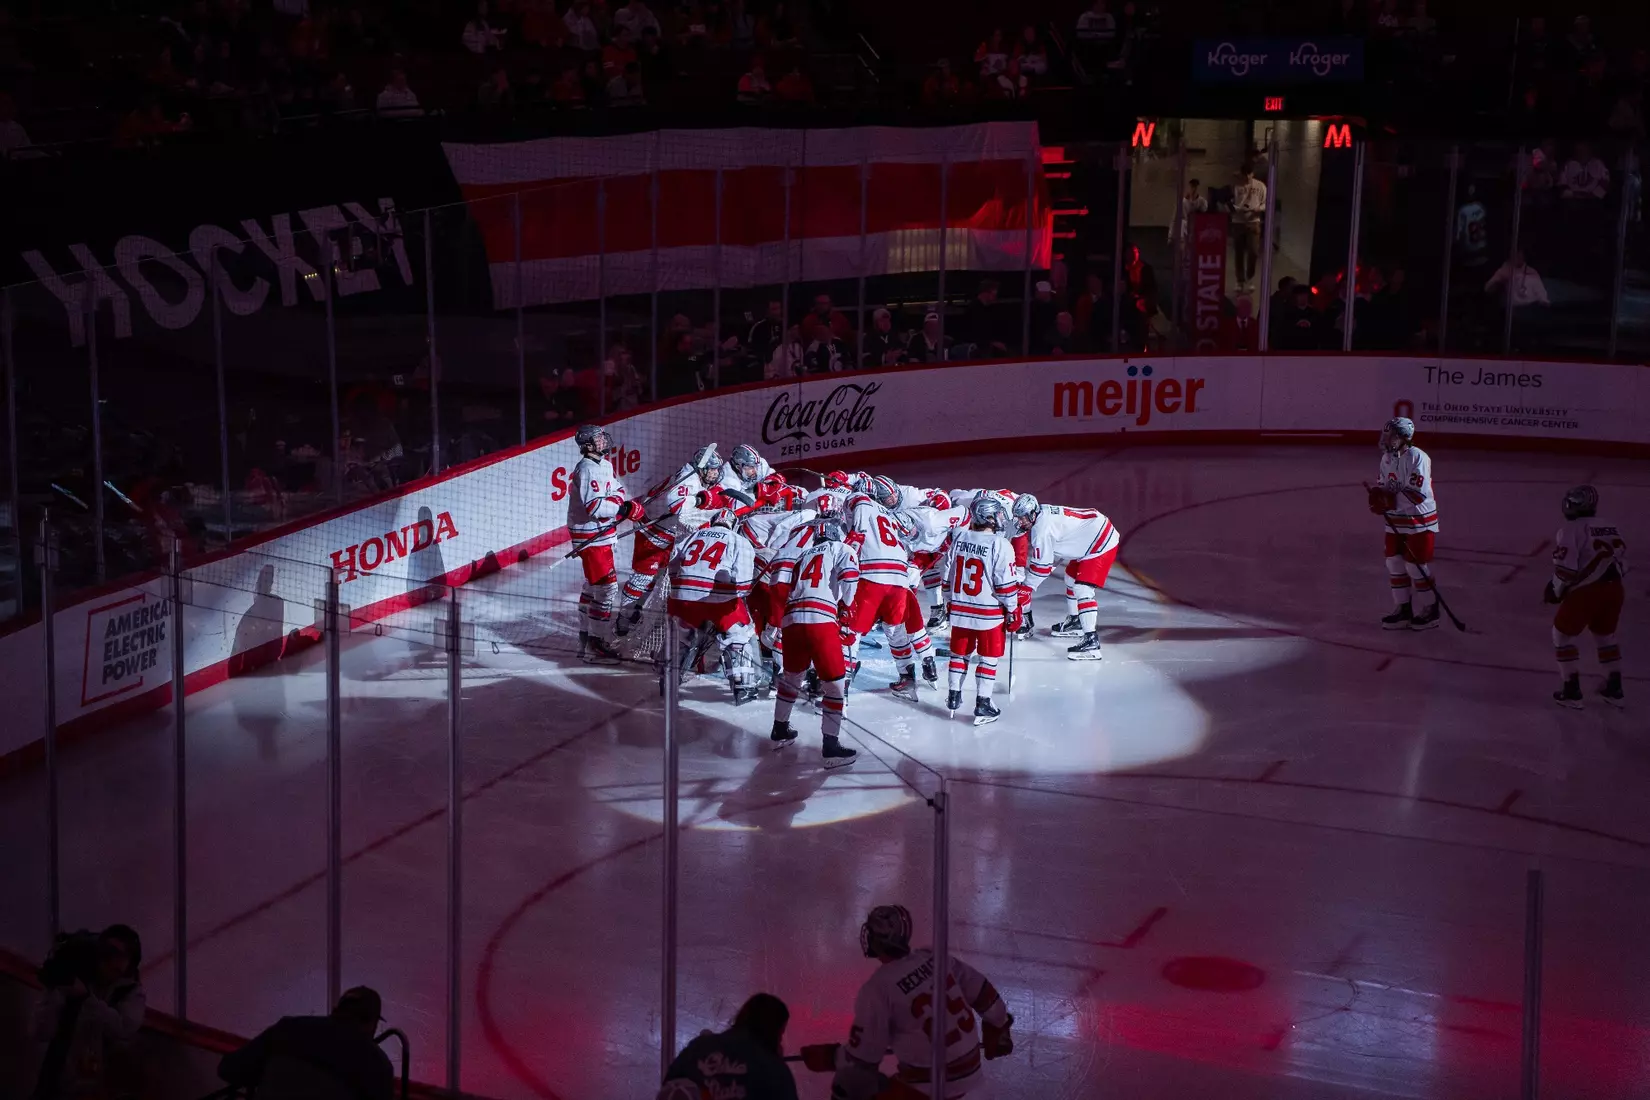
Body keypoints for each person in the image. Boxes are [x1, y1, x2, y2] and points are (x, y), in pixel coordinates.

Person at [802, 905, 1013, 1100]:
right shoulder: (933, 958)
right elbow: (982, 990)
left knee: (847, 1084)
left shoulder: (878, 988)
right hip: (969, 1071)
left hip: (930, 1084)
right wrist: (999, 1024)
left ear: (874, 939)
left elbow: (863, 1058)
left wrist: (830, 1057)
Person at [769, 511, 859, 766]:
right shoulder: (841, 548)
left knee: (791, 679)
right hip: (820, 618)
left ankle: (779, 729)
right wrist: (846, 608)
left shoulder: (802, 555)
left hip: (792, 620)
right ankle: (831, 747)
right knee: (835, 686)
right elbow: (850, 577)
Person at [842, 476, 938, 697]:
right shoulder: (892, 515)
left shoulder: (859, 500)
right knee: (895, 630)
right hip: (900, 579)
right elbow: (913, 537)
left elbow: (857, 528)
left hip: (872, 576)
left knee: (851, 630)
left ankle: (841, 681)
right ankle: (907, 677)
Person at [616, 445, 727, 634]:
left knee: (659, 575)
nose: (716, 474)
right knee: (643, 577)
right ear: (702, 469)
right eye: (713, 469)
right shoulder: (689, 479)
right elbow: (675, 504)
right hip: (651, 529)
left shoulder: (696, 475)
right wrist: (700, 500)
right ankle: (623, 618)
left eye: (717, 469)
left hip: (667, 530)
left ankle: (636, 607)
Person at [30, 925, 148, 1100]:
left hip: (99, 1090)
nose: (111, 960)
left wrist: (86, 999)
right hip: (57, 1085)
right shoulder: (79, 978)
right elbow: (40, 1031)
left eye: (118, 954)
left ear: (130, 963)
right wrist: (54, 992)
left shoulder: (130, 993)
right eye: (107, 951)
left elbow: (123, 1028)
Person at [218, 986, 394, 1100]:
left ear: (335, 1010)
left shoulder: (288, 1028)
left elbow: (229, 1069)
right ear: (372, 1025)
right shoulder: (376, 1063)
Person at [940, 496, 1022, 724]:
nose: (1000, 518)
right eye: (997, 514)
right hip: (988, 614)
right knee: (989, 658)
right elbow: (1004, 584)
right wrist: (1013, 609)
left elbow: (946, 572)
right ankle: (983, 703)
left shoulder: (959, 537)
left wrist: (949, 599)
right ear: (987, 517)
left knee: (959, 655)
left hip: (959, 609)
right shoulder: (1000, 544)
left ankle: (953, 696)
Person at [666, 508, 761, 703]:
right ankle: (743, 685)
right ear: (734, 524)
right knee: (740, 634)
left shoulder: (692, 536)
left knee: (681, 635)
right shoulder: (739, 541)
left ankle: (666, 676)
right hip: (718, 599)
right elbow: (743, 586)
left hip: (682, 598)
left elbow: (672, 567)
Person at [566, 425, 643, 664]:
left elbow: (618, 491)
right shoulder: (586, 469)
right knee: (606, 588)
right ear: (588, 445)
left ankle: (585, 636)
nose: (603, 439)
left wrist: (620, 503)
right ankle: (595, 644)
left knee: (592, 587)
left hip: (602, 534)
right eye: (598, 438)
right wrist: (623, 508)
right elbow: (596, 508)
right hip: (592, 537)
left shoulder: (605, 466)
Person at [1545, 486, 1627, 709]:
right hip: (1615, 588)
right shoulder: (1610, 525)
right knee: (1605, 636)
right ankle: (1615, 687)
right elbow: (1622, 562)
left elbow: (1566, 570)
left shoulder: (1571, 530)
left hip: (1588, 590)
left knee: (1561, 636)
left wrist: (1556, 589)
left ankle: (1571, 690)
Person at [1013, 493, 1120, 661]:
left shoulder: (1041, 530)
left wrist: (1025, 589)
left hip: (1099, 541)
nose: (1020, 522)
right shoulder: (1043, 514)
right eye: (1018, 518)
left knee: (1082, 588)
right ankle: (1076, 621)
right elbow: (1053, 555)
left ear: (1032, 514)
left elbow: (1042, 567)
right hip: (1091, 534)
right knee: (1070, 578)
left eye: (1023, 518)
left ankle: (1091, 640)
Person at [1367, 416, 1440, 631]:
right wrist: (1378, 496)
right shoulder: (1386, 459)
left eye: (1392, 436)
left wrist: (1388, 502)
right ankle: (1403, 609)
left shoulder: (1418, 457)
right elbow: (1383, 485)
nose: (1387, 440)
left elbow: (1417, 495)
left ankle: (1430, 609)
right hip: (1396, 519)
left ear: (1405, 438)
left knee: (1415, 566)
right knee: (1393, 562)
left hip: (1419, 519)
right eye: (1386, 435)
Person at [658, 994, 798, 1100]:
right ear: (773, 1031)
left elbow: (669, 1090)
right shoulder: (773, 1069)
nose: (781, 1041)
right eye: (781, 1033)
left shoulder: (699, 1048)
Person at [1231, 164, 1267, 293]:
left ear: (1253, 173)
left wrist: (1259, 209)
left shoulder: (1260, 186)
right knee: (1239, 252)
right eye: (1244, 175)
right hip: (1238, 222)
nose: (1247, 177)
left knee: (1253, 251)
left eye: (1249, 174)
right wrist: (1236, 209)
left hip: (1253, 222)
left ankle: (1250, 278)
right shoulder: (1236, 186)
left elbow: (1265, 203)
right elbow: (1230, 202)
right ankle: (1240, 280)